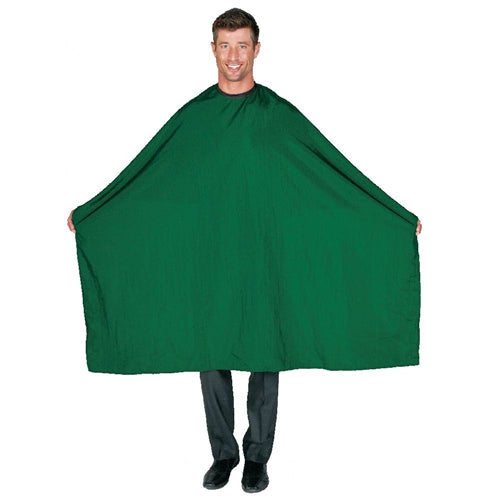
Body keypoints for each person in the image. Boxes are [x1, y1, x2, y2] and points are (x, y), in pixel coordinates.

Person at [67, 7, 422, 494]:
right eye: (224, 45)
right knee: (209, 348)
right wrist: (95, 211)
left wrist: (392, 216)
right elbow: (149, 174)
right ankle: (223, 453)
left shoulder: (278, 116)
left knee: (264, 349)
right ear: (212, 49)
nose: (233, 56)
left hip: (261, 258)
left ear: (257, 49)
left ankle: (257, 456)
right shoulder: (194, 117)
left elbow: (332, 172)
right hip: (211, 258)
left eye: (242, 45)